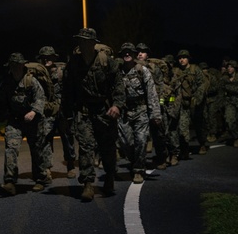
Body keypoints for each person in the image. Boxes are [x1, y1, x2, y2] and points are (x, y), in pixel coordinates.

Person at [63, 27, 125, 201]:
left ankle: (110, 177)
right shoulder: (74, 63)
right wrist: (67, 115)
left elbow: (119, 84)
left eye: (86, 41)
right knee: (85, 148)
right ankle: (88, 183)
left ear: (93, 43)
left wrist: (117, 105)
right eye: (80, 41)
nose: (82, 44)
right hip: (84, 111)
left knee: (107, 147)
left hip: (104, 111)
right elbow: (67, 91)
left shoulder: (106, 61)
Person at [0, 52, 47, 195]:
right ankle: (10, 181)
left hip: (33, 121)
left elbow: (40, 98)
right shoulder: (6, 83)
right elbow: (0, 103)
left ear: (23, 65)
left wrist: (34, 111)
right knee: (11, 148)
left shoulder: (31, 81)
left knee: (37, 150)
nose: (15, 68)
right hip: (14, 121)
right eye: (13, 66)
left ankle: (40, 179)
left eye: (17, 65)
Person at [117, 43, 161, 184]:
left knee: (141, 141)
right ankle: (135, 160)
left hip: (140, 110)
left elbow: (152, 93)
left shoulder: (142, 71)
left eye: (130, 52)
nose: (127, 54)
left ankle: (138, 169)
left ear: (134, 54)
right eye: (125, 52)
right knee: (125, 142)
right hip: (124, 111)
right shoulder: (117, 71)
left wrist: (155, 114)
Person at [38, 45, 77, 178]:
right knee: (46, 138)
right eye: (44, 58)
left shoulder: (62, 70)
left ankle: (70, 165)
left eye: (49, 58)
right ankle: (47, 167)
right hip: (47, 110)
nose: (46, 60)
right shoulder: (38, 73)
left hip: (62, 110)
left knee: (67, 138)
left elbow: (71, 88)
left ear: (54, 58)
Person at [169, 49, 207, 163]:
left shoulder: (195, 70)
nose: (182, 60)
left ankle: (202, 143)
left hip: (194, 102)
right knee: (180, 129)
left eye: (184, 57)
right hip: (181, 104)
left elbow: (203, 84)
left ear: (188, 59)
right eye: (180, 58)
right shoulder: (175, 71)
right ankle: (182, 151)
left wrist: (197, 98)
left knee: (198, 125)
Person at [136, 42, 170, 170]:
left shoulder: (153, 68)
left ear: (147, 55)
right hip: (138, 106)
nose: (140, 54)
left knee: (158, 134)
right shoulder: (131, 66)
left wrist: (159, 106)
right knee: (139, 136)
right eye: (138, 51)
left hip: (152, 105)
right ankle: (139, 162)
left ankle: (162, 157)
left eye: (143, 52)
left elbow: (161, 86)